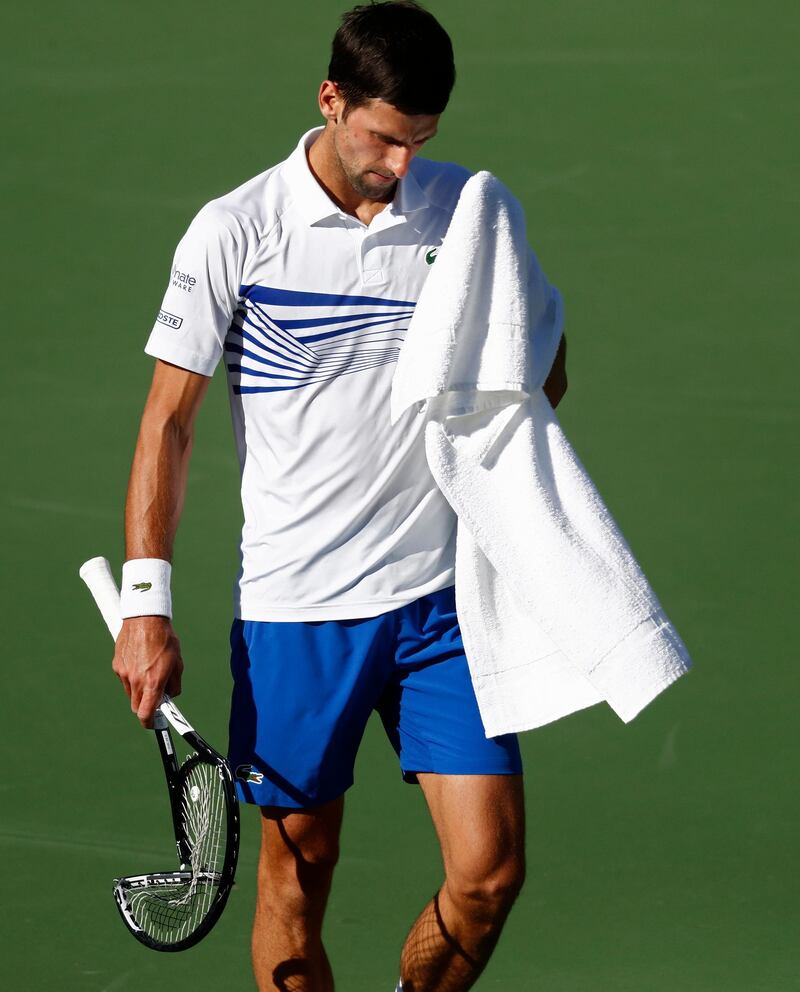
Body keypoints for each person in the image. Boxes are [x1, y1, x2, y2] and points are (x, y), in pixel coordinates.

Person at [112, 2, 567, 990]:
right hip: (297, 608)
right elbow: (168, 422)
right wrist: (147, 606)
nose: (401, 165)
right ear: (329, 99)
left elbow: (541, 372)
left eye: (420, 143)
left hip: (441, 603)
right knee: (296, 872)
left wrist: (504, 361)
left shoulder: (466, 213)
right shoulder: (236, 230)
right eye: (381, 138)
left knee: (486, 873)